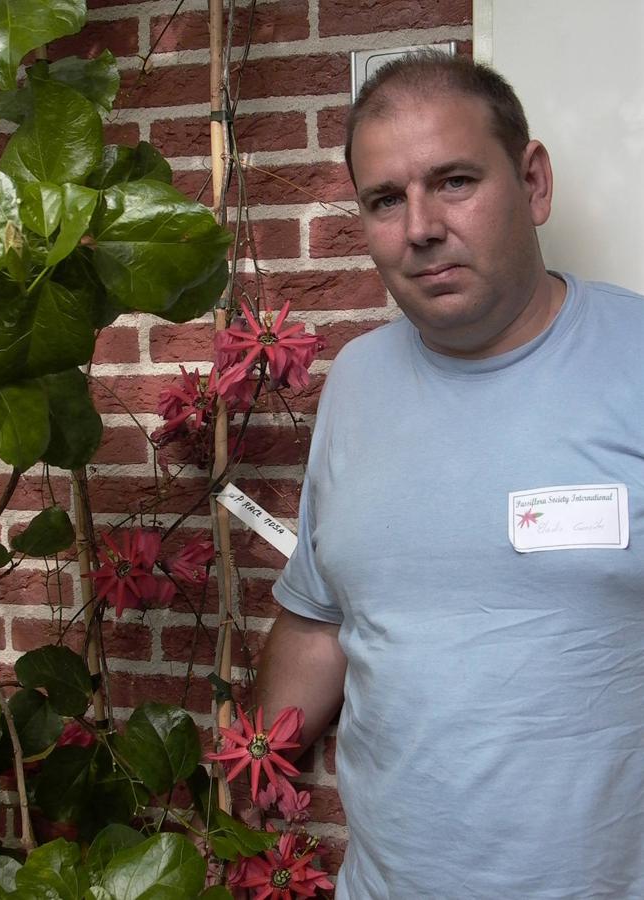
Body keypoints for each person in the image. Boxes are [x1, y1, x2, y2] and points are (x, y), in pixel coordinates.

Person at [257, 50, 644, 899]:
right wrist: (253, 761)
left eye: (455, 181)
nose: (420, 226)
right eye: (385, 200)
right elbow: (319, 620)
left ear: (532, 182)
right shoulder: (355, 383)